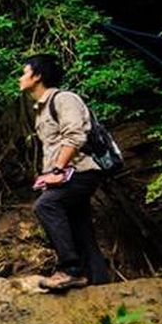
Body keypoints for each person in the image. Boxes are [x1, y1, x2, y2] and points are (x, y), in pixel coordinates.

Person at [19, 53, 110, 291]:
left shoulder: (64, 99)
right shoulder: (41, 109)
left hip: (80, 172)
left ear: (37, 76)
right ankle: (99, 281)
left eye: (24, 72)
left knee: (46, 206)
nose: (20, 78)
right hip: (66, 175)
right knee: (79, 224)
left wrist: (58, 169)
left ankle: (69, 270)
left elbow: (75, 135)